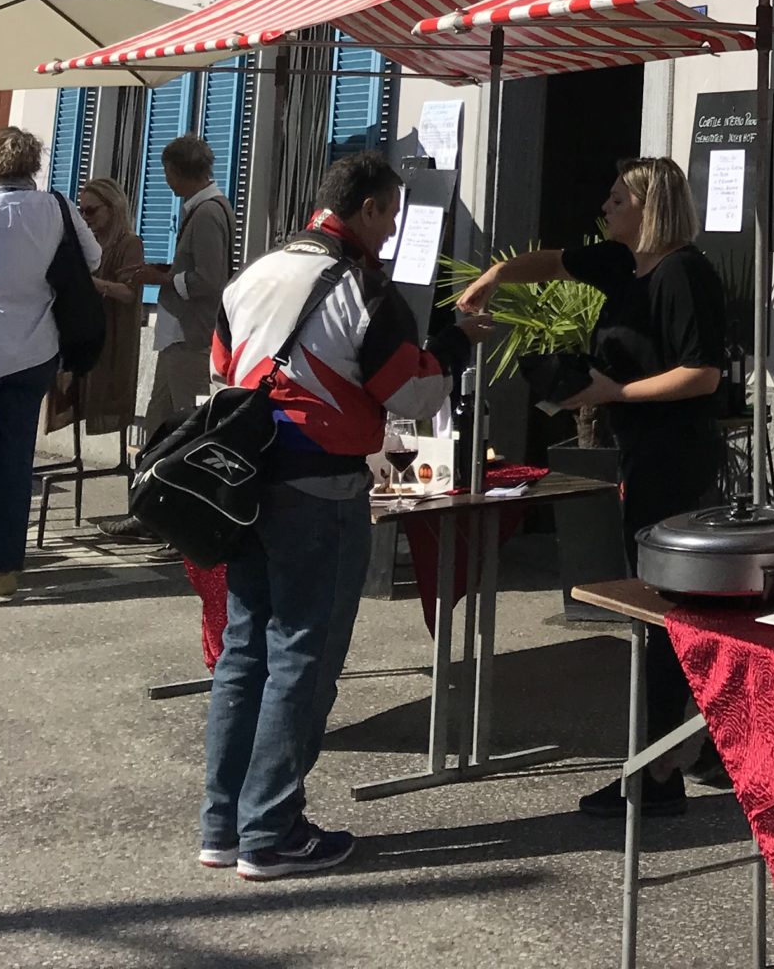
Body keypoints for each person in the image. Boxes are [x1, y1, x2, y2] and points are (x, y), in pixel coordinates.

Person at [201, 147, 480, 880]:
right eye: (390, 214)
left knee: (244, 651)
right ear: (367, 209)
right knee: (303, 655)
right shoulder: (364, 287)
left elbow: (222, 373)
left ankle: (223, 824)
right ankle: (272, 832)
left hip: (244, 484)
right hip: (320, 490)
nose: (392, 231)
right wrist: (454, 344)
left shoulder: (253, 272)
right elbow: (411, 397)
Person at [459, 155, 725, 823]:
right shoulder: (620, 264)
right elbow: (551, 260)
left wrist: (617, 391)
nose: (605, 208)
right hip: (638, 452)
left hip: (675, 458)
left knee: (666, 611)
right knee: (661, 610)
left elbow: (702, 373)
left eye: (616, 199)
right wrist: (494, 275)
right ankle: (688, 750)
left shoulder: (682, 271)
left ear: (649, 206)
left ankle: (659, 770)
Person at [0, 124, 101, 606]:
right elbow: (93, 260)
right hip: (35, 353)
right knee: (16, 461)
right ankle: (3, 569)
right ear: (33, 164)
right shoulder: (55, 208)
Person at [142, 133, 234, 442]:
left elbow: (209, 279)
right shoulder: (204, 209)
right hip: (177, 337)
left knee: (188, 424)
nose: (167, 181)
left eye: (167, 172)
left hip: (190, 336)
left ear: (177, 171)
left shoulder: (207, 213)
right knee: (159, 420)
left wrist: (163, 279)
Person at [48, 177, 145, 449]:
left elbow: (129, 292)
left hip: (112, 335)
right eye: (81, 211)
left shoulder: (129, 243)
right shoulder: (83, 244)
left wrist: (93, 284)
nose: (85, 217)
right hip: (82, 332)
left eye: (91, 210)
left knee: (105, 394)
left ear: (112, 207)